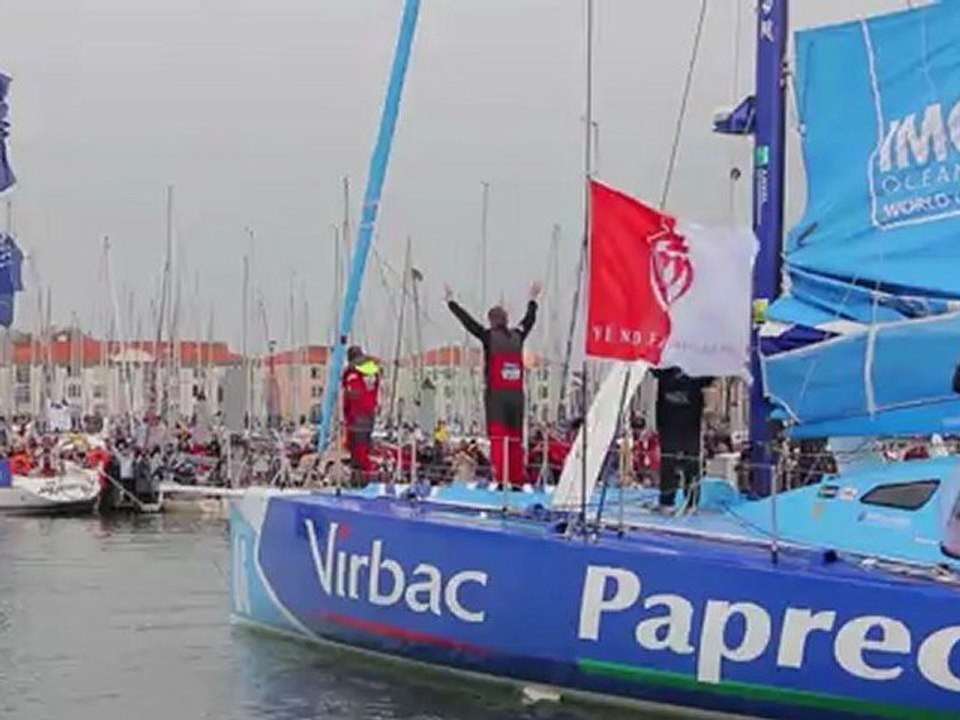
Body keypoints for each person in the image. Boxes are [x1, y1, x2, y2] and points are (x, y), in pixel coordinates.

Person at [445, 281, 540, 487]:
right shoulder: (518, 334)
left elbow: (468, 323)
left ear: (491, 321)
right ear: (506, 320)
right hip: (516, 397)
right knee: (515, 441)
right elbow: (529, 320)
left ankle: (502, 480)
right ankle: (517, 480)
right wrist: (532, 299)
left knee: (499, 441)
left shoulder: (489, 337)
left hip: (497, 396)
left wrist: (451, 302)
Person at [653, 366, 713, 510]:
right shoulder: (666, 368)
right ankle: (667, 500)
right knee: (669, 460)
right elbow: (653, 368)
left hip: (689, 422)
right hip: (669, 421)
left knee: (691, 461)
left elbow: (709, 376)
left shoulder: (697, 367)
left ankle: (691, 501)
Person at [341, 345, 382, 484]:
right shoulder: (372, 373)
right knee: (363, 448)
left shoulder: (352, 376)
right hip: (369, 415)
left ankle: (362, 479)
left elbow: (351, 397)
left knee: (357, 451)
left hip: (355, 417)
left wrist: (346, 416)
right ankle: (364, 476)